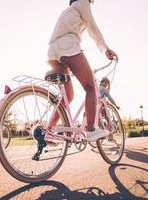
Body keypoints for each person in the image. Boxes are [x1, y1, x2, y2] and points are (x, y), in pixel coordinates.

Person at [47, 0, 118, 142]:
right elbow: (93, 27)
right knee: (91, 87)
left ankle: (49, 131)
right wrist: (106, 49)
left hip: (52, 51)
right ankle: (91, 129)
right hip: (68, 47)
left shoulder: (67, 11)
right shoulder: (82, 2)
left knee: (68, 95)